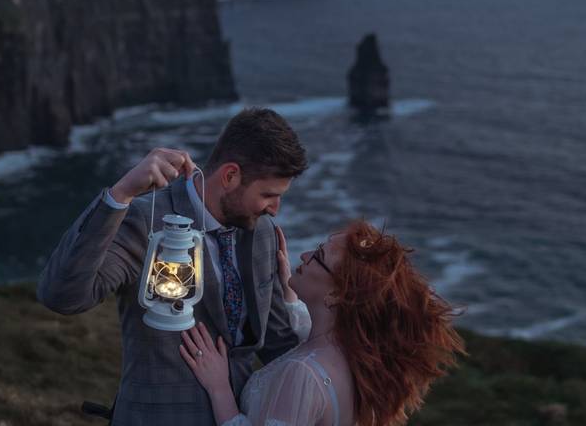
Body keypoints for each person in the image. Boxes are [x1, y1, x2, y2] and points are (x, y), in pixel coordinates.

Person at [37, 107, 308, 425]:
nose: (275, 209)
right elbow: (62, 297)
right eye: (268, 195)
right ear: (230, 176)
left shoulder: (261, 231)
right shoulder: (144, 219)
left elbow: (278, 345)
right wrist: (120, 195)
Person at [180, 221, 465, 426]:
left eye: (318, 256)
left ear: (336, 295)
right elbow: (310, 329)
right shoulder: (356, 358)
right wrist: (291, 291)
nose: (304, 256)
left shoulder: (301, 374)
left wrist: (219, 389)